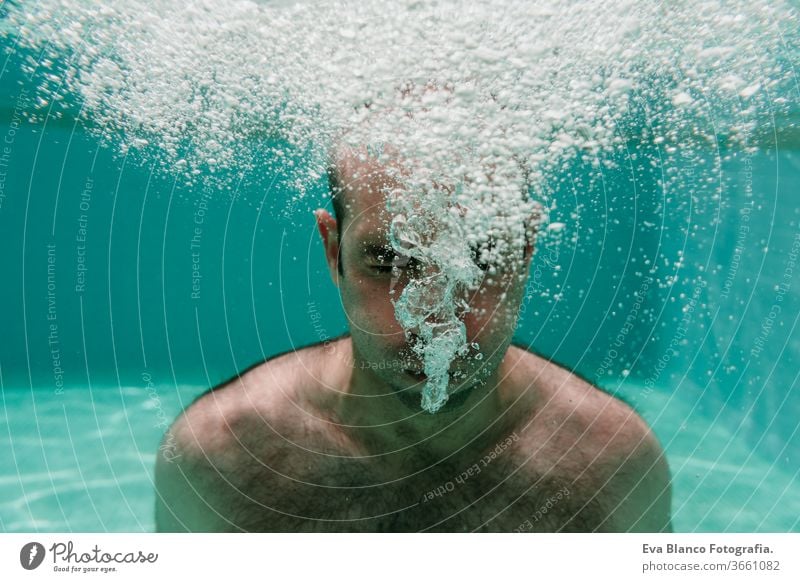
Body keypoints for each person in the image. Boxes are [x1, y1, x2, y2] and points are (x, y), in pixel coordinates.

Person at [154, 145, 673, 533]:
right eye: (390, 263)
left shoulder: (618, 466)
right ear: (333, 251)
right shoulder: (219, 459)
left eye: (482, 260)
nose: (437, 324)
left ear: (527, 251)